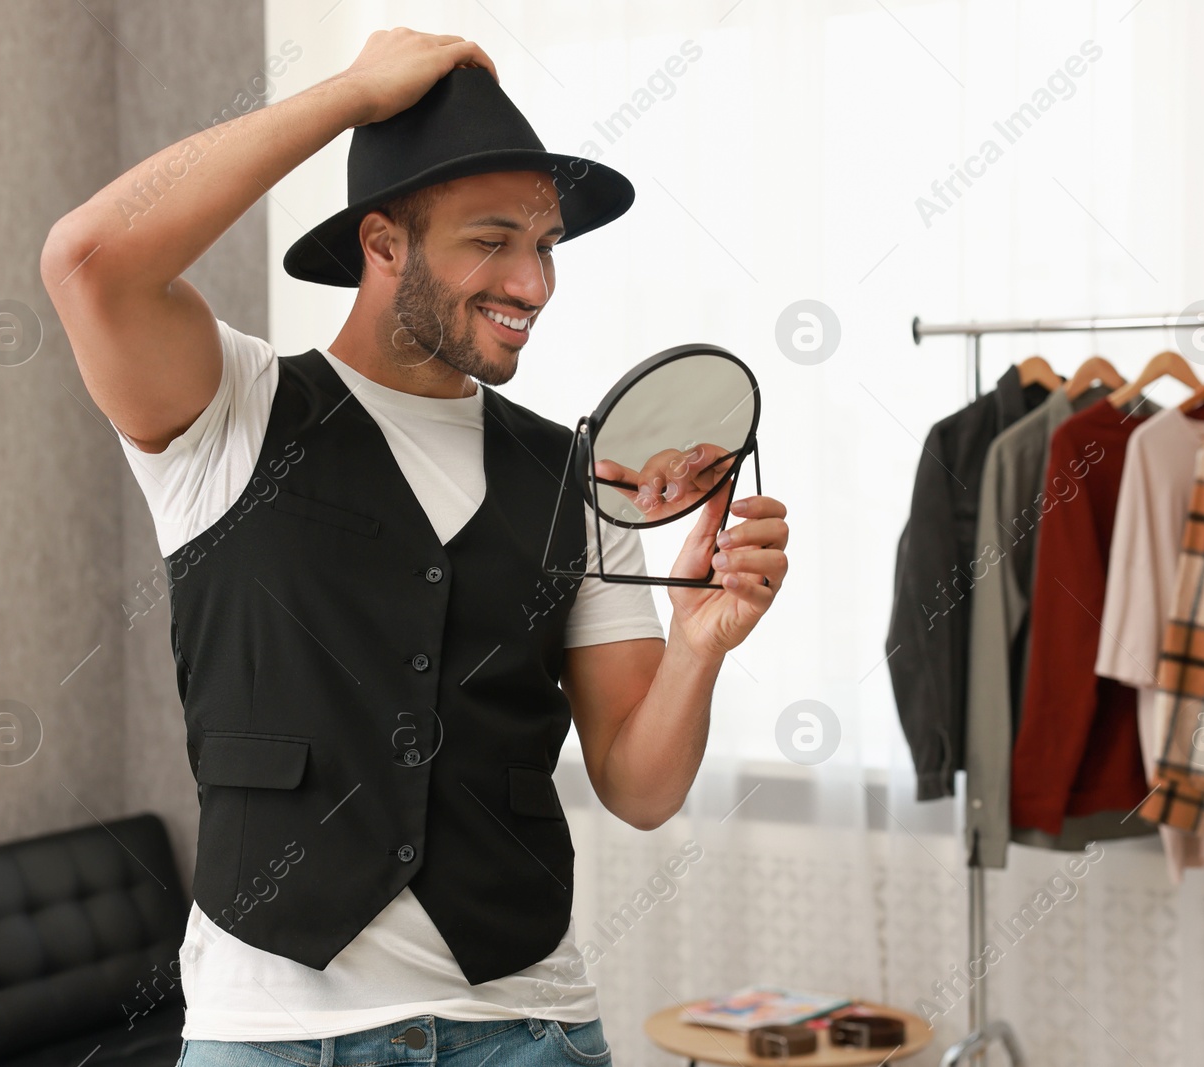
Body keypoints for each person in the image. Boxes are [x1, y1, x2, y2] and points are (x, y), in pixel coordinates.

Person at [41, 27, 788, 1067]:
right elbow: (86, 259)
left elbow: (642, 785)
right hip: (276, 1036)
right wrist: (348, 95)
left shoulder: (578, 476)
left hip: (529, 1028)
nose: (535, 284)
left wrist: (699, 640)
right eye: (492, 239)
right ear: (381, 241)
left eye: (548, 244)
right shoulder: (234, 411)